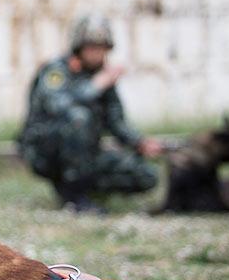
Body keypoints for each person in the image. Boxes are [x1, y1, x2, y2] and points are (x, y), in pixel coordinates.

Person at [18, 15, 162, 213]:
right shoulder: (56, 71)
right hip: (46, 151)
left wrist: (139, 142)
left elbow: (116, 120)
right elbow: (59, 106)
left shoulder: (101, 75)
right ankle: (74, 196)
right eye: (92, 47)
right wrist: (96, 85)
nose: (97, 53)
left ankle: (87, 190)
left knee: (146, 175)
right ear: (79, 47)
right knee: (78, 118)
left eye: (102, 48)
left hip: (86, 153)